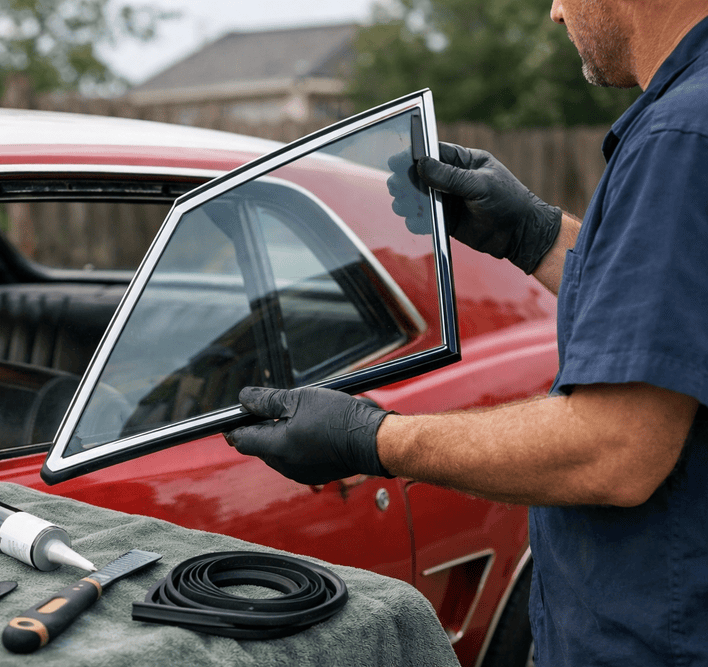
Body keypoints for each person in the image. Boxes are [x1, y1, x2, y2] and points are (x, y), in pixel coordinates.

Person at [224, 1, 708, 665]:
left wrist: (372, 438)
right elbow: (675, 307)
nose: (555, 12)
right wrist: (534, 234)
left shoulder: (680, 135)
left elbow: (616, 448)